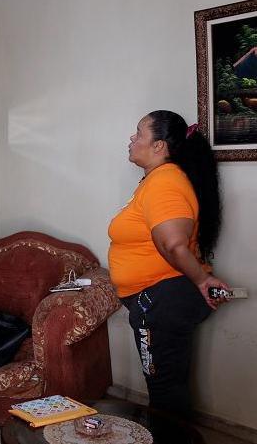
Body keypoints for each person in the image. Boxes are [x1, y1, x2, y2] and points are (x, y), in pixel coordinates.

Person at [108, 110, 231, 418]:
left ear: (159, 145)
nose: (132, 139)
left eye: (138, 133)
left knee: (165, 393)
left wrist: (202, 281)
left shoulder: (165, 182)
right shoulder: (156, 181)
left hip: (162, 301)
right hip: (157, 301)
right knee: (165, 389)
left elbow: (173, 243)